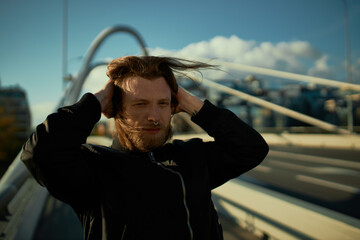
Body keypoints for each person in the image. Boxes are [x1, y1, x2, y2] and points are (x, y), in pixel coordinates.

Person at [21, 56, 269, 240]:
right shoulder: (94, 169)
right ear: (114, 109)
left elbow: (251, 148)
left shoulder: (192, 158)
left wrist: (194, 104)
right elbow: (40, 153)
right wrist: (95, 103)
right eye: (140, 104)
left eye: (163, 103)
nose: (155, 116)